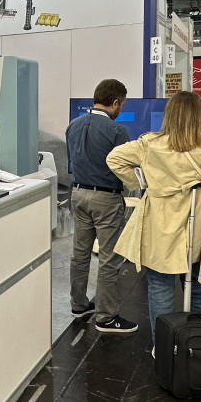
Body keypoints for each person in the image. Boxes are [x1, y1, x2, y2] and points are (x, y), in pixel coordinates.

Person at [107, 91, 201, 345]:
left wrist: (143, 181)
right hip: (196, 221)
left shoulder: (150, 143)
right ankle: (197, 343)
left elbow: (114, 158)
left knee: (160, 285)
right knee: (198, 282)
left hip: (159, 221)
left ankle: (163, 346)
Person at [65, 79, 136, 333]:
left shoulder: (73, 126)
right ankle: (106, 317)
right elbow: (127, 167)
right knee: (109, 258)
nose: (121, 109)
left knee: (80, 254)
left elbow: (71, 161)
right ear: (115, 103)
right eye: (122, 105)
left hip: (78, 194)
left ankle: (78, 304)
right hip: (106, 198)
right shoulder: (118, 131)